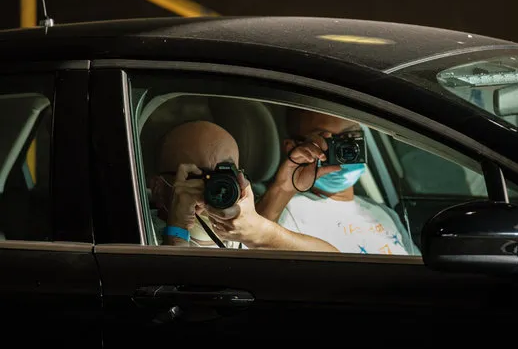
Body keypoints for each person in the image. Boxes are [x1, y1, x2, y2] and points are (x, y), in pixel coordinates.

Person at [147, 120, 338, 252]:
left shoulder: (246, 230)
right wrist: (177, 232)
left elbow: (335, 264)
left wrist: (259, 232)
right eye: (197, 176)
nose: (215, 186)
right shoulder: (142, 233)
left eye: (225, 174)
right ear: (157, 188)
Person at [256, 108, 420, 255]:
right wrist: (285, 188)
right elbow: (254, 235)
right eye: (324, 140)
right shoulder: (286, 211)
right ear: (292, 147)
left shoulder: (384, 214)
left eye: (350, 136)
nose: (342, 148)